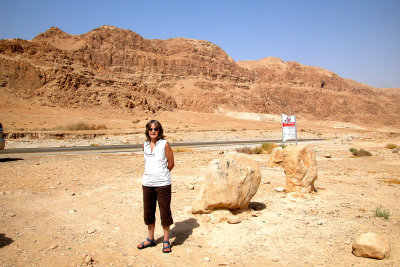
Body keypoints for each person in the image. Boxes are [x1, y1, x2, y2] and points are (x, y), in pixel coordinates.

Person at [137, 120, 174, 253]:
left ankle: (166, 240)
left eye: (155, 129)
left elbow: (171, 164)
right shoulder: (145, 145)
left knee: (164, 212)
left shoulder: (165, 144)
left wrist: (161, 174)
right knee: (148, 212)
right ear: (147, 131)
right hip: (147, 184)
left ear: (159, 131)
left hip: (163, 184)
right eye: (150, 129)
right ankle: (150, 238)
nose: (153, 131)